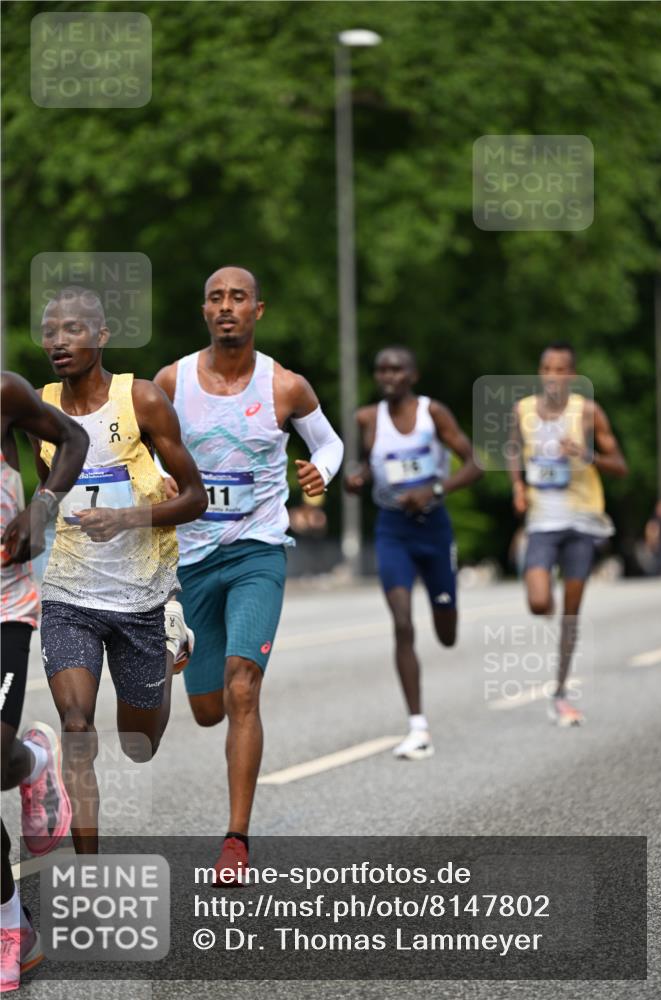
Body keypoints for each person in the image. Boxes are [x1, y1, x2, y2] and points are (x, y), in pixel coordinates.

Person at [154, 265, 343, 880]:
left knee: (243, 687)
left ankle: (236, 838)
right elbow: (141, 453)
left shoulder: (284, 386)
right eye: (215, 298)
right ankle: (187, 644)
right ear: (204, 311)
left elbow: (330, 443)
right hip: (193, 557)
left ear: (258, 310)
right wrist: (150, 482)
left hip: (259, 549)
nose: (226, 306)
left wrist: (321, 472)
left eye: (238, 298)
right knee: (208, 708)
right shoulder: (171, 382)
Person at [32, 286, 207, 854]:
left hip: (140, 597)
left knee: (139, 744)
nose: (59, 341)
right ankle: (88, 872)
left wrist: (130, 516)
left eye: (73, 329)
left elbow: (197, 498)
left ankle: (168, 642)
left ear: (102, 336)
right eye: (51, 331)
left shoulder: (145, 401)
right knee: (77, 727)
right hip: (67, 594)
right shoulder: (39, 408)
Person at [345, 346, 482, 760]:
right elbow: (367, 466)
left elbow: (474, 463)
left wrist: (434, 490)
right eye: (382, 369)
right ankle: (417, 726)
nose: (388, 376)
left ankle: (447, 605)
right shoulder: (367, 418)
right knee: (402, 623)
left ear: (413, 375)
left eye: (397, 369)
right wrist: (358, 479)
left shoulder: (432, 413)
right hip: (392, 531)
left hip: (435, 529)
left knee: (446, 631)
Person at [1, 370, 89, 992]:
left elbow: (74, 439)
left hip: (5, 600)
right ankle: (30, 763)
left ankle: (9, 926)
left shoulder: (3, 392)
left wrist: (41, 506)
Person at [509, 340, 628, 726]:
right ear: (540, 373)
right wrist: (517, 487)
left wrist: (586, 453)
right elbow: (513, 450)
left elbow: (620, 466)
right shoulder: (523, 410)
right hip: (543, 521)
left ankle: (559, 691)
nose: (553, 377)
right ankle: (548, 603)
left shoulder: (588, 412)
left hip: (582, 521)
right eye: (547, 369)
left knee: (571, 615)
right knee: (540, 602)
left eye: (562, 370)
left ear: (573, 376)